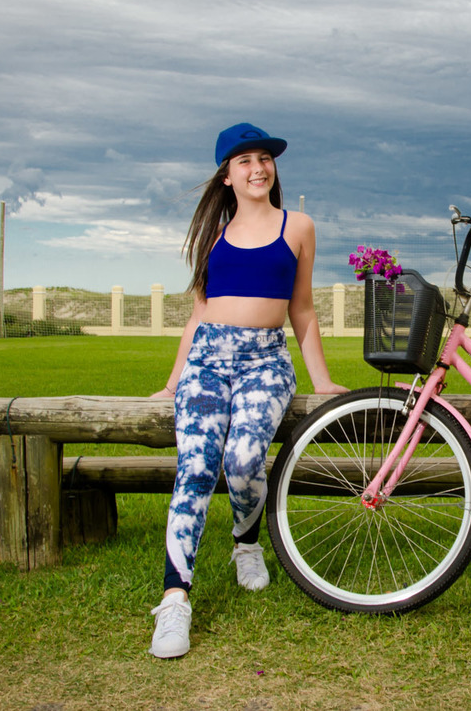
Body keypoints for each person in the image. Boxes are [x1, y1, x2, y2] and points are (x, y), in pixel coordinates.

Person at [148, 122, 347, 659]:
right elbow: (198, 315)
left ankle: (246, 544)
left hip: (265, 361)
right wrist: (172, 383)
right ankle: (174, 600)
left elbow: (302, 309)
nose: (258, 168)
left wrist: (323, 381)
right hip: (208, 360)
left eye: (265, 159)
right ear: (226, 175)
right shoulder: (213, 235)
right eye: (245, 161)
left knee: (242, 460)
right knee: (195, 467)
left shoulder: (298, 225)